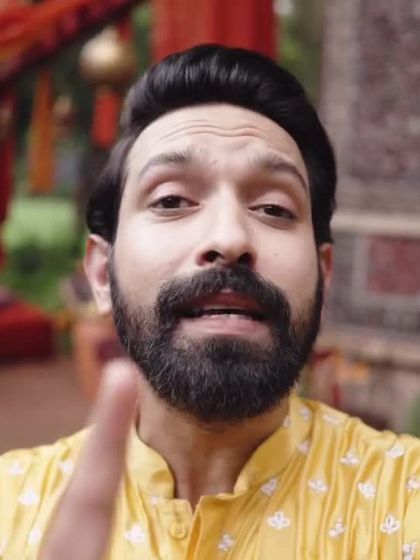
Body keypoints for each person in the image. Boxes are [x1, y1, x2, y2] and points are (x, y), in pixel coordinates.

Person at [0, 44, 419, 560]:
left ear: (324, 275)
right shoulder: (10, 509)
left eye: (273, 207)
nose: (229, 237)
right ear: (102, 273)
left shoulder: (406, 499)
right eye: (172, 200)